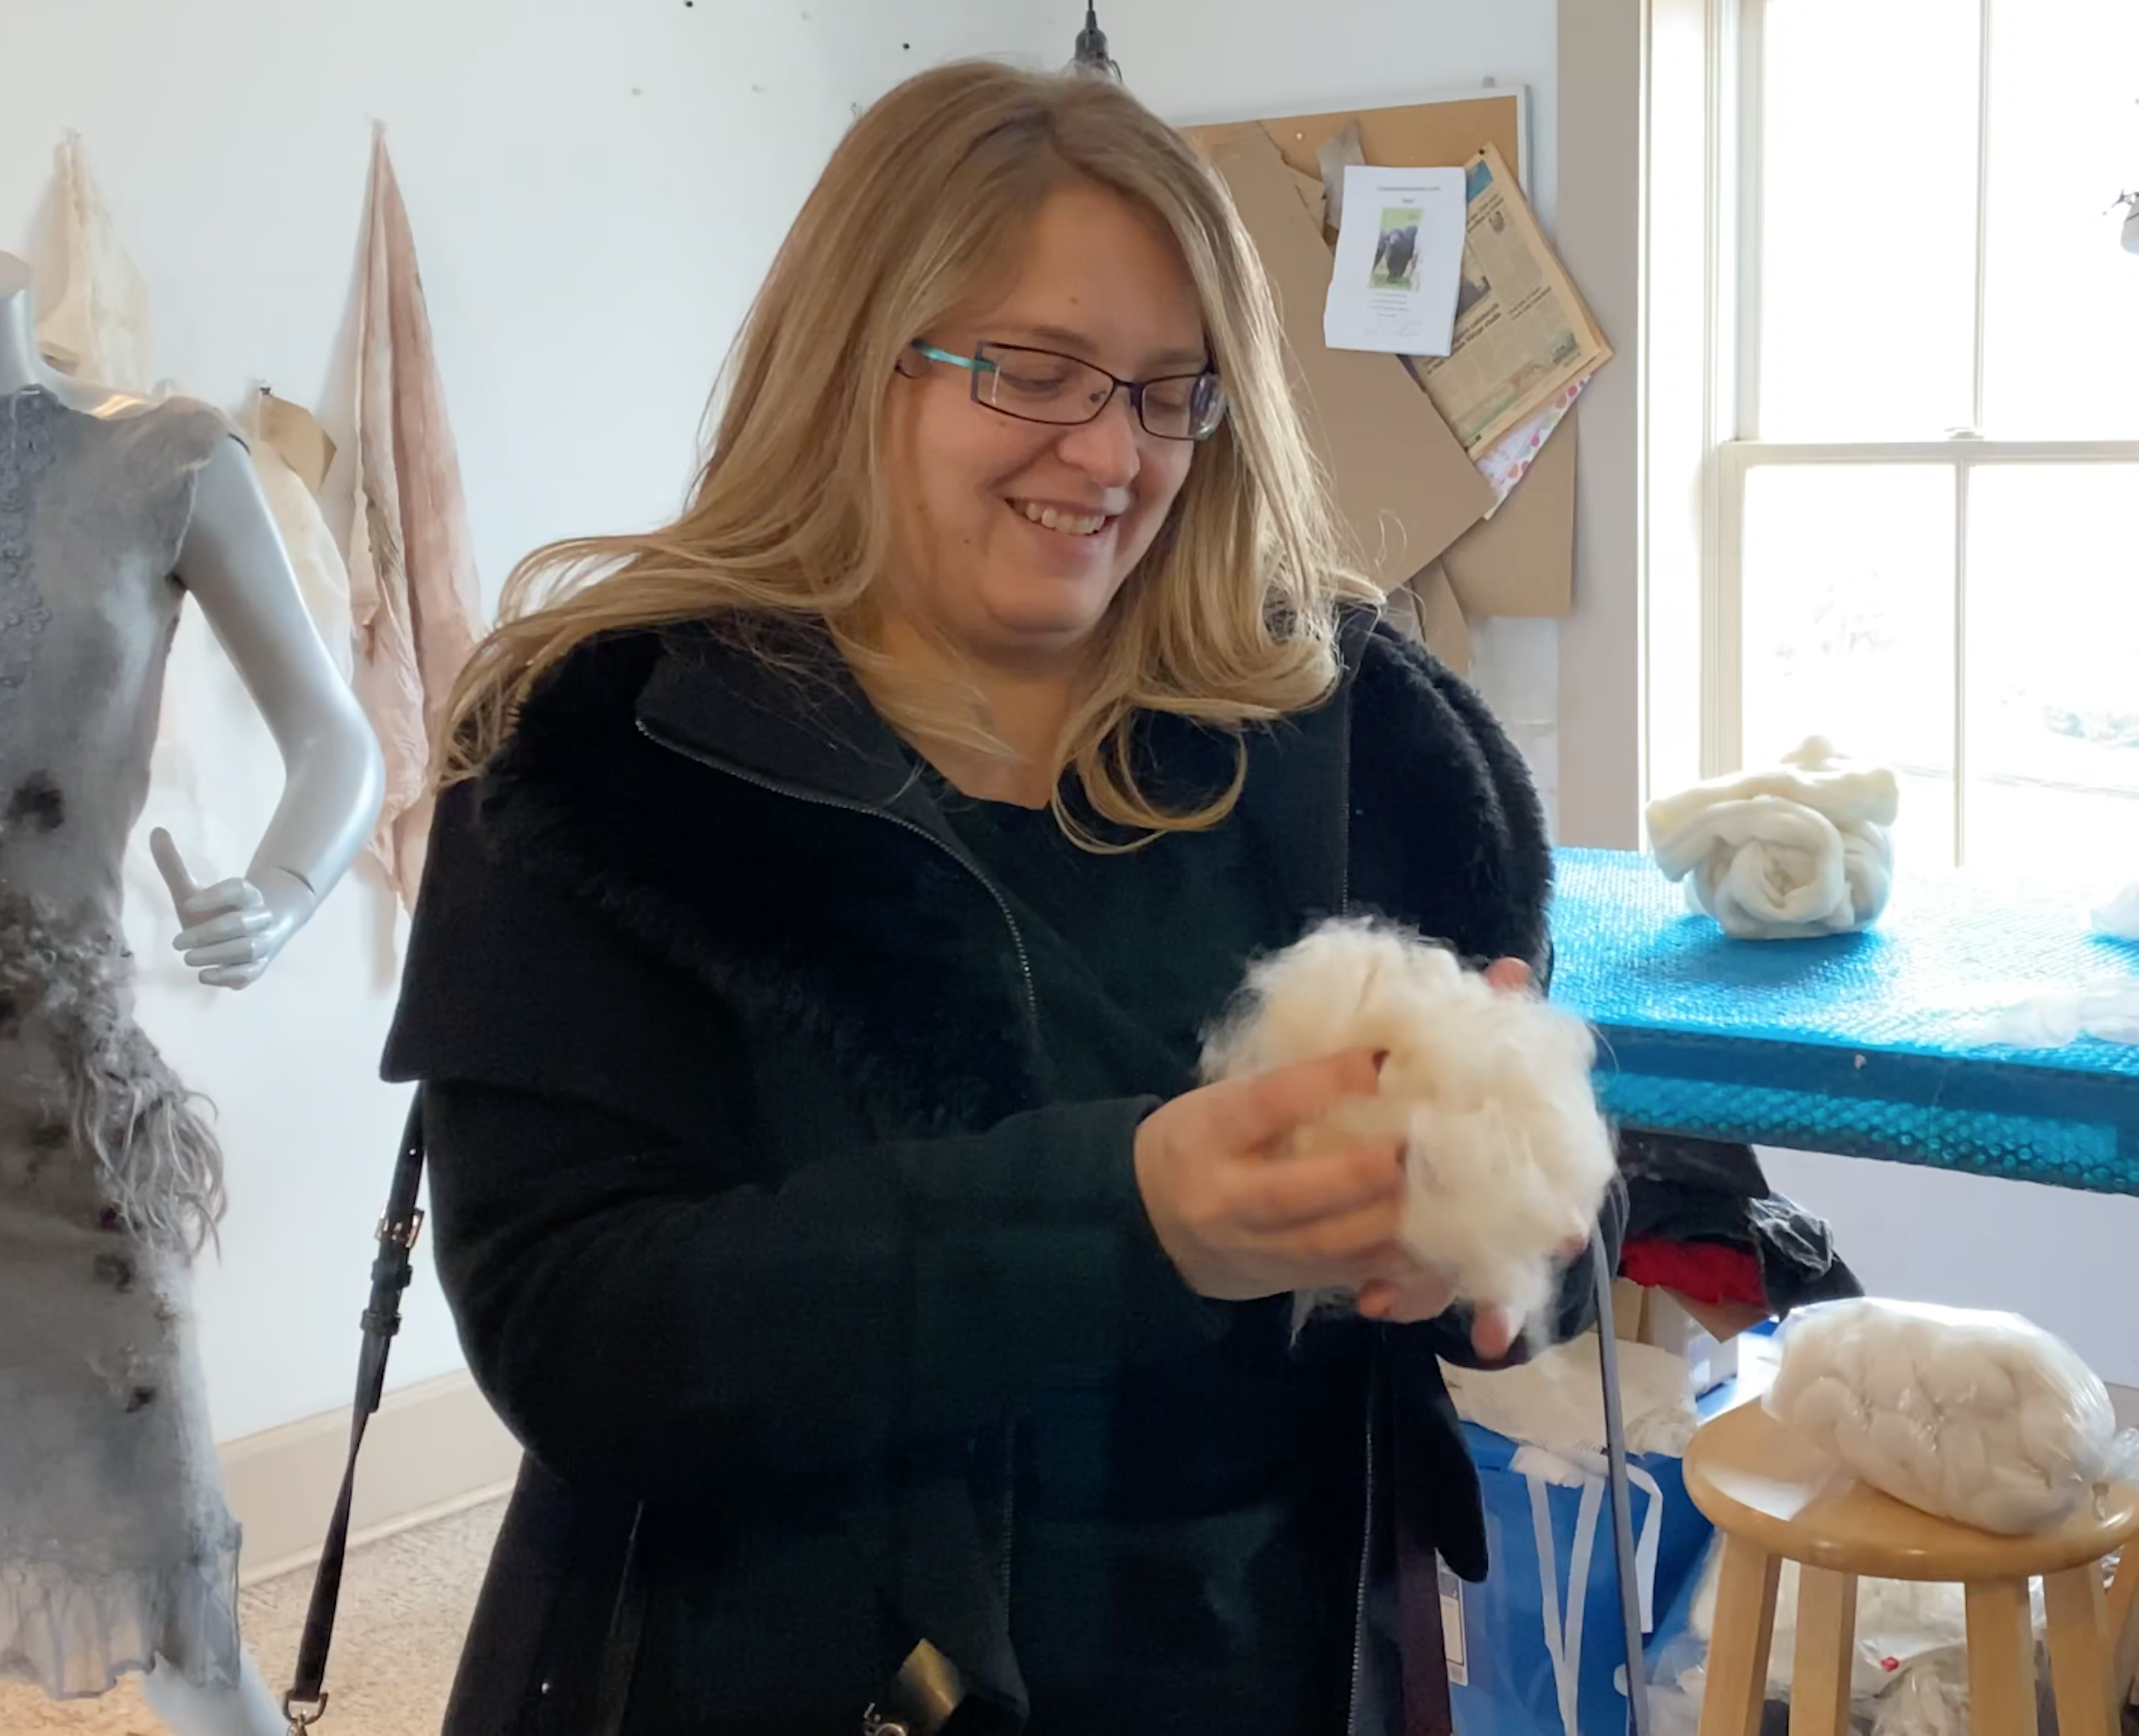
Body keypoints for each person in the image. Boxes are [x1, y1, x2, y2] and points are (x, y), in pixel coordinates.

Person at [385, 60, 1619, 1736]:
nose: (1111, 450)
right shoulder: (612, 750)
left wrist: (1504, 1247)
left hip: (1263, 1648)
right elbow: (579, 1333)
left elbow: (1563, 1194)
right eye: (1036, 371)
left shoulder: (1372, 730)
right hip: (784, 1666)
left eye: (1170, 391)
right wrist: (1138, 1217)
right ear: (854, 356)